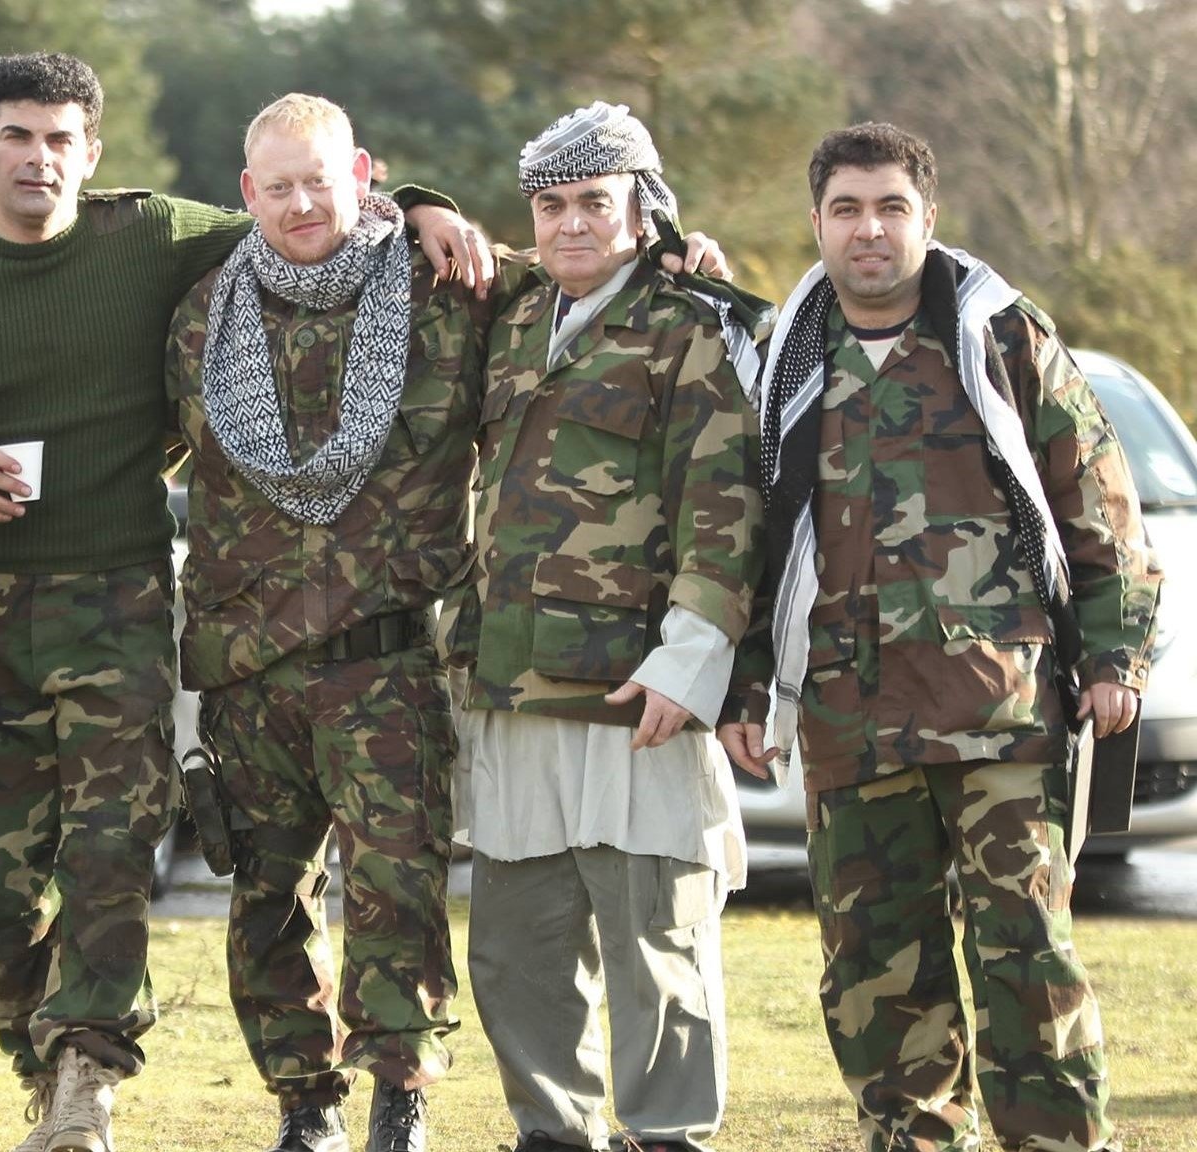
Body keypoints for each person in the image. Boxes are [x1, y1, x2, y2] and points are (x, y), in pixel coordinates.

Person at [0, 52, 493, 1152]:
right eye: (17, 135)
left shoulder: (160, 237)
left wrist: (422, 204)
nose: (37, 158)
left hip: (136, 601)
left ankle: (97, 1082)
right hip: (11, 612)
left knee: (122, 854)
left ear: (93, 152)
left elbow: (332, 215)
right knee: (7, 882)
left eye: (60, 138)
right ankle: (63, 1065)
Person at [719, 122, 1160, 1152]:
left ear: (927, 217)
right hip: (848, 715)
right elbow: (748, 539)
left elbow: (1098, 503)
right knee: (873, 966)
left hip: (999, 710)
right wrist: (748, 688)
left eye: (890, 208)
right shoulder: (782, 359)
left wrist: (1113, 657)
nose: (867, 230)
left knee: (1025, 955)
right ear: (816, 222)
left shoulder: (999, 337)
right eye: (845, 209)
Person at [164, 93, 517, 1152]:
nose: (301, 204)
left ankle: (398, 1095)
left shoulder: (444, 288)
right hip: (248, 668)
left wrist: (675, 250)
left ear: (362, 175)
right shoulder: (200, 317)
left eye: (319, 179)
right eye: (277, 187)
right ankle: (302, 1101)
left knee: (396, 889)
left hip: (384, 661)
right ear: (247, 194)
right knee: (266, 898)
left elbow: (592, 289)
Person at [443, 103, 765, 1152]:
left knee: (656, 942)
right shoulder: (513, 313)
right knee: (517, 954)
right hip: (511, 684)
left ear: (642, 210)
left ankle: (667, 1135)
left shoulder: (688, 323)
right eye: (550, 205)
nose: (571, 223)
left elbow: (724, 506)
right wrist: (421, 206)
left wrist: (691, 662)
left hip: (636, 687)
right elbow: (409, 245)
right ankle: (553, 1134)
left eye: (595, 201)